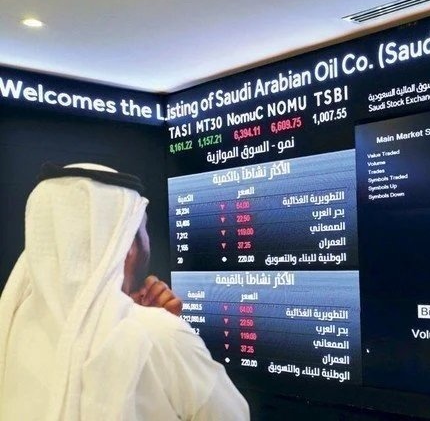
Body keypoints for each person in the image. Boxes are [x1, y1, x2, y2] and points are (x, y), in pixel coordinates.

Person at [0, 163, 249, 420]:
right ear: (127, 243)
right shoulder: (160, 335)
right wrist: (163, 330)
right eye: (142, 229)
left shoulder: (11, 325)